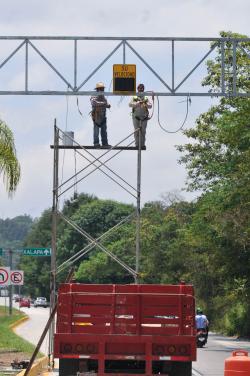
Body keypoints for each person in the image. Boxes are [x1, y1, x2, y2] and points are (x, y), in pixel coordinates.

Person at [129, 83, 152, 148]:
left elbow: (150, 106)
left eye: (142, 88)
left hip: (144, 117)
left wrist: (145, 103)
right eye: (140, 88)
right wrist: (137, 103)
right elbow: (130, 104)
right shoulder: (134, 97)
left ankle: (142, 145)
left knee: (143, 131)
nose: (141, 89)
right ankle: (137, 144)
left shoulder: (146, 98)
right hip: (136, 117)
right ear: (137, 89)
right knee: (136, 131)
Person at [90, 82, 111, 147]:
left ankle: (105, 143)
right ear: (98, 89)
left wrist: (107, 105)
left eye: (103, 89)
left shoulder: (103, 96)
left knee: (104, 131)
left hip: (103, 116)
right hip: (96, 116)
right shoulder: (94, 95)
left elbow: (105, 103)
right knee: (96, 131)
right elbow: (93, 103)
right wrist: (103, 103)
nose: (102, 90)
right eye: (101, 89)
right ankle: (96, 143)